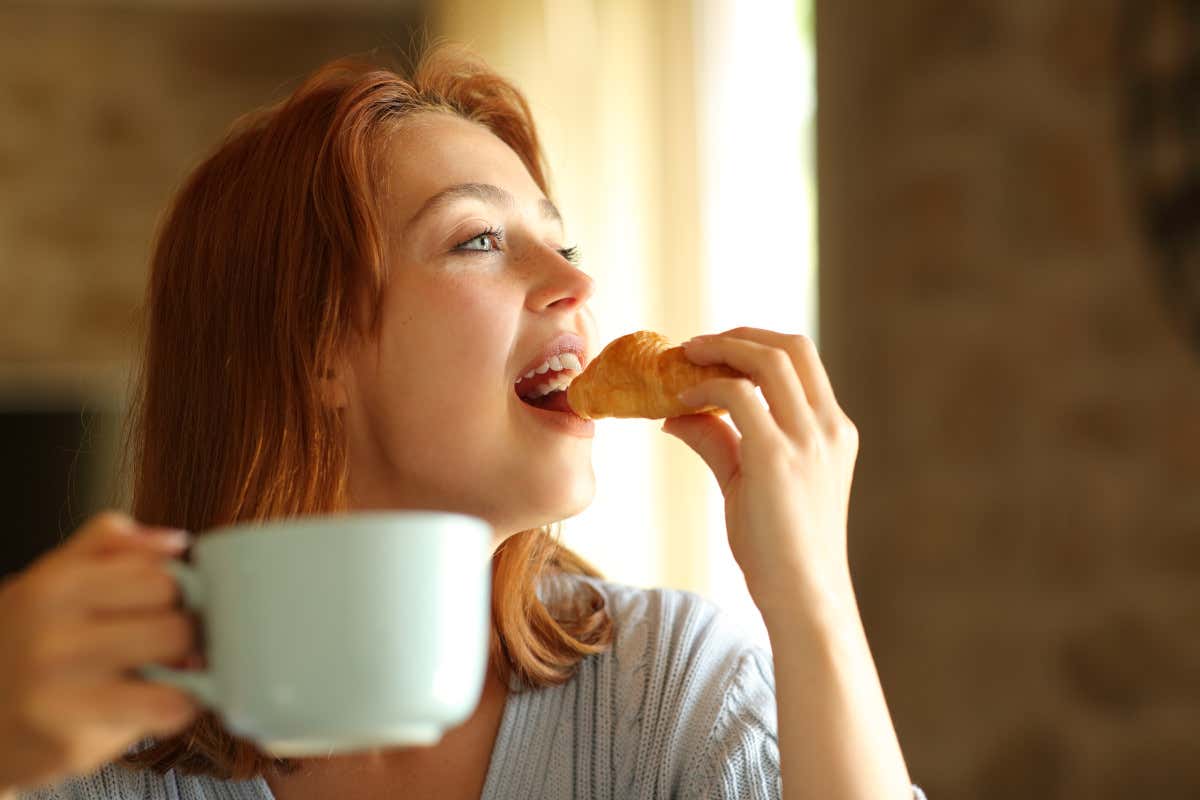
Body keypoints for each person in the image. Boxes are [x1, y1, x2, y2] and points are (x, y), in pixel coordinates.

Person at [0, 42, 926, 800]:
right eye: (478, 239)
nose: (576, 282)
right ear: (313, 346)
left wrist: (810, 595)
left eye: (562, 242)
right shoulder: (86, 740)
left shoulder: (673, 689)